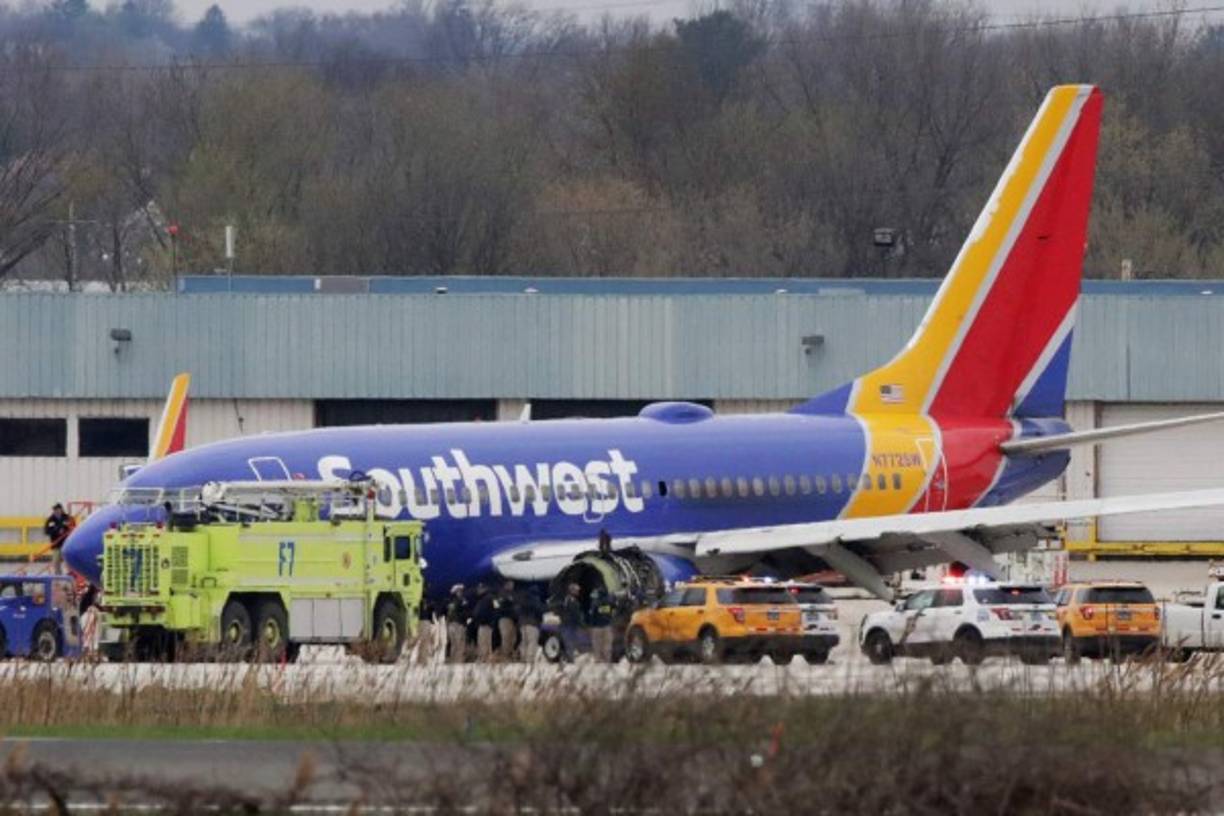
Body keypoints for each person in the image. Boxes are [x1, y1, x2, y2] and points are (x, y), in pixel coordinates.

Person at [516, 586, 545, 662]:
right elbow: (539, 611)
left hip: (522, 624)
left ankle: (523, 659)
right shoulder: (535, 600)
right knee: (532, 642)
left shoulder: (522, 600)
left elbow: (517, 611)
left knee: (524, 642)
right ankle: (529, 660)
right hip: (532, 623)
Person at [43, 503, 74, 575]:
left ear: (61, 509)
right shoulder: (50, 520)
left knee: (68, 562)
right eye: (54, 510)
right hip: (56, 545)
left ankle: (71, 575)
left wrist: (66, 529)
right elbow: (47, 531)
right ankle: (58, 576)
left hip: (66, 545)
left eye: (57, 509)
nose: (56, 511)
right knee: (56, 562)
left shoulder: (68, 518)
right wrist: (57, 531)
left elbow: (73, 528)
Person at [587, 586, 615, 663]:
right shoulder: (609, 602)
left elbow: (592, 615)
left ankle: (598, 660)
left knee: (597, 644)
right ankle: (607, 659)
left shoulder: (595, 603)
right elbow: (613, 609)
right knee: (607, 644)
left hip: (597, 627)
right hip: (607, 626)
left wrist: (590, 626)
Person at [558, 582, 585, 660]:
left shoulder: (567, 600)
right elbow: (575, 614)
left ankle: (568, 657)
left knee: (570, 642)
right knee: (569, 642)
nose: (578, 592)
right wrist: (581, 624)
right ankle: (569, 658)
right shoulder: (570, 601)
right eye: (576, 590)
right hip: (569, 624)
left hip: (569, 624)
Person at [470, 582, 496, 661]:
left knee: (485, 641)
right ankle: (483, 657)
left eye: (481, 588)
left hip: (487, 623)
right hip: (481, 624)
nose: (479, 590)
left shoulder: (489, 598)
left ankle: (486, 658)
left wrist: (491, 621)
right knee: (481, 641)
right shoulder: (481, 599)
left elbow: (495, 610)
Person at [445, 584, 469, 663]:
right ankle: (459, 660)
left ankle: (453, 660)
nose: (461, 592)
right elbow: (465, 612)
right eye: (459, 591)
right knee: (460, 643)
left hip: (451, 624)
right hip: (458, 624)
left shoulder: (449, 602)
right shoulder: (462, 601)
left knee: (454, 644)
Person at [495, 580, 518, 661]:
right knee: (505, 636)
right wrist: (507, 601)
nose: (512, 586)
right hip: (504, 618)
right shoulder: (502, 594)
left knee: (512, 638)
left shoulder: (513, 594)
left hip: (512, 619)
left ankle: (510, 655)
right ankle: (505, 656)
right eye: (511, 584)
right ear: (506, 584)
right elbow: (498, 605)